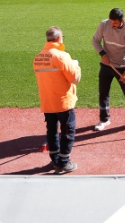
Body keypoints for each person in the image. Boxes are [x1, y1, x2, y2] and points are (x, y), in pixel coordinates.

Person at [33, 26, 81, 174]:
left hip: (47, 101)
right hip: (63, 101)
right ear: (59, 38)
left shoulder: (38, 57)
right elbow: (75, 78)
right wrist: (76, 66)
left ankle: (55, 160)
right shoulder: (62, 56)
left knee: (52, 131)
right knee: (68, 132)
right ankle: (64, 162)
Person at [92, 8, 125, 132]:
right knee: (103, 93)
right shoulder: (104, 25)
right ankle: (104, 120)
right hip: (107, 65)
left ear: (122, 21)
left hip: (122, 67)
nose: (112, 25)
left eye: (114, 23)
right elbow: (95, 41)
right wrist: (103, 54)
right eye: (111, 22)